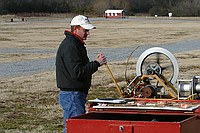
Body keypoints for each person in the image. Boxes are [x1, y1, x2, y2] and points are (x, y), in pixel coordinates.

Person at [55, 15, 107, 133]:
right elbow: (77, 72)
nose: (87, 33)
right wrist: (96, 63)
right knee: (76, 129)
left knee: (71, 128)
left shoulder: (74, 44)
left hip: (73, 94)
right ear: (76, 28)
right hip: (72, 95)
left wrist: (94, 63)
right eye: (85, 30)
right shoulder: (71, 46)